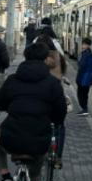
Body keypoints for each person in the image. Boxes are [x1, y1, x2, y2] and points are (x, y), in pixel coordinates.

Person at [0, 42, 66, 181]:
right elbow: (60, 114)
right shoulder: (52, 83)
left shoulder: (13, 80)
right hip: (38, 140)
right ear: (45, 60)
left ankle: (6, 177)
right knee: (34, 176)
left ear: (25, 58)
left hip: (11, 137)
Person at [37, 34, 71, 168]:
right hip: (57, 95)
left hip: (41, 97)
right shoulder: (59, 57)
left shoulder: (37, 58)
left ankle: (40, 152)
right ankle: (58, 157)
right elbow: (64, 73)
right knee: (59, 126)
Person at [76, 37, 92, 118]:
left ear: (88, 45)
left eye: (84, 44)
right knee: (83, 94)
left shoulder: (87, 54)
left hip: (84, 78)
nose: (83, 46)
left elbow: (82, 65)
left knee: (81, 94)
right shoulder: (88, 54)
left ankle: (84, 110)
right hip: (85, 78)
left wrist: (79, 60)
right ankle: (84, 109)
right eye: (83, 44)